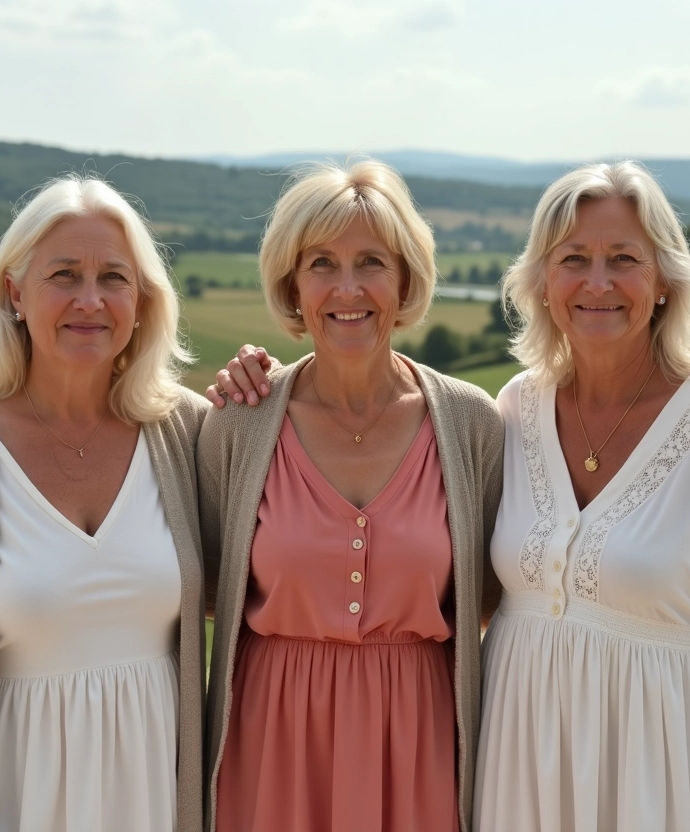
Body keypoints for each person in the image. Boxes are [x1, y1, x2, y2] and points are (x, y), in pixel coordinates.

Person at [212, 161, 690, 832]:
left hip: (658, 780)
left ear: (667, 279)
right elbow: (194, 576)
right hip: (514, 785)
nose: (597, 282)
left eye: (623, 259)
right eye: (573, 259)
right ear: (541, 282)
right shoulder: (516, 414)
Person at [0, 175, 208, 832]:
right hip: (8, 807)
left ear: (142, 301)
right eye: (64, 275)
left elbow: (279, 552)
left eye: (113, 277)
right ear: (15, 293)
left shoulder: (189, 434)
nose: (90, 299)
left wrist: (268, 383)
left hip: (156, 808)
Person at [198, 159, 503, 832]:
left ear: (405, 279)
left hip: (420, 739)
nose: (347, 288)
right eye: (321, 264)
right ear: (292, 285)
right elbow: (198, 587)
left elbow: (494, 594)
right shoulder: (238, 422)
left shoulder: (473, 424)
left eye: (371, 262)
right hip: (271, 740)